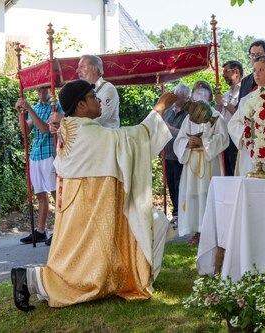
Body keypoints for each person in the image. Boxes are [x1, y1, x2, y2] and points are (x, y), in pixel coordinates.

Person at [10, 80, 176, 311]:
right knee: (87, 271)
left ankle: (30, 279)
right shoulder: (88, 132)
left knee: (81, 257)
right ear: (80, 105)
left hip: (81, 208)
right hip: (93, 209)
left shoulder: (71, 127)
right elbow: (134, 138)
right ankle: (30, 279)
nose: (98, 101)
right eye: (92, 97)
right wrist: (159, 108)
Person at [174, 81, 229, 245]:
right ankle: (197, 231)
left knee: (207, 195)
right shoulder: (188, 119)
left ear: (210, 96)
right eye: (197, 92)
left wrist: (203, 142)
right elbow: (180, 139)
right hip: (192, 162)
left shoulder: (216, 117)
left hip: (209, 162)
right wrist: (187, 143)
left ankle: (210, 232)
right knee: (192, 195)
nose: (200, 96)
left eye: (203, 93)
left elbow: (223, 139)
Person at [15, 87, 63, 246]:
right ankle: (41, 230)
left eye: (44, 90)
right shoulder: (35, 108)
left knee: (55, 193)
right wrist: (20, 113)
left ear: (50, 90)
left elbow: (44, 129)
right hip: (36, 154)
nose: (42, 94)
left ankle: (60, 229)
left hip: (50, 152)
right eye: (39, 91)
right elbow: (25, 131)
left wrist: (28, 109)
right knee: (40, 194)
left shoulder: (56, 106)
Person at [163, 83, 190, 227]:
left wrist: (169, 128)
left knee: (180, 185)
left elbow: (186, 134)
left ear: (186, 98)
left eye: (178, 96)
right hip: (168, 155)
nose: (174, 98)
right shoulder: (168, 111)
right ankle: (175, 213)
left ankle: (181, 214)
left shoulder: (188, 114)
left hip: (181, 156)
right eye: (174, 94)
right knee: (171, 185)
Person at [215, 60, 243, 176]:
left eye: (226, 71)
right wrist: (217, 108)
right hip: (224, 137)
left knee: (236, 172)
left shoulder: (243, 91)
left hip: (236, 138)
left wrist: (224, 103)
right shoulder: (226, 94)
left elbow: (239, 114)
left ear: (236, 71)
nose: (223, 75)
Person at [77, 54, 120, 128]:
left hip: (108, 138)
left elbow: (99, 119)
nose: (77, 71)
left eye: (82, 66)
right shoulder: (83, 91)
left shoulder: (108, 89)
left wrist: (69, 123)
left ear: (94, 69)